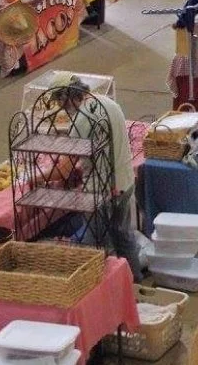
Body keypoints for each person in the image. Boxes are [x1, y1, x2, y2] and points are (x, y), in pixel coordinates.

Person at [47, 77, 141, 279]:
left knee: (97, 244)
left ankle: (109, 290)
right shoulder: (107, 102)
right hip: (125, 181)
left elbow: (63, 169)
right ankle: (136, 285)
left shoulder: (82, 118)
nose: (63, 109)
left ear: (68, 97)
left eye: (61, 103)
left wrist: (37, 178)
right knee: (123, 236)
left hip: (101, 191)